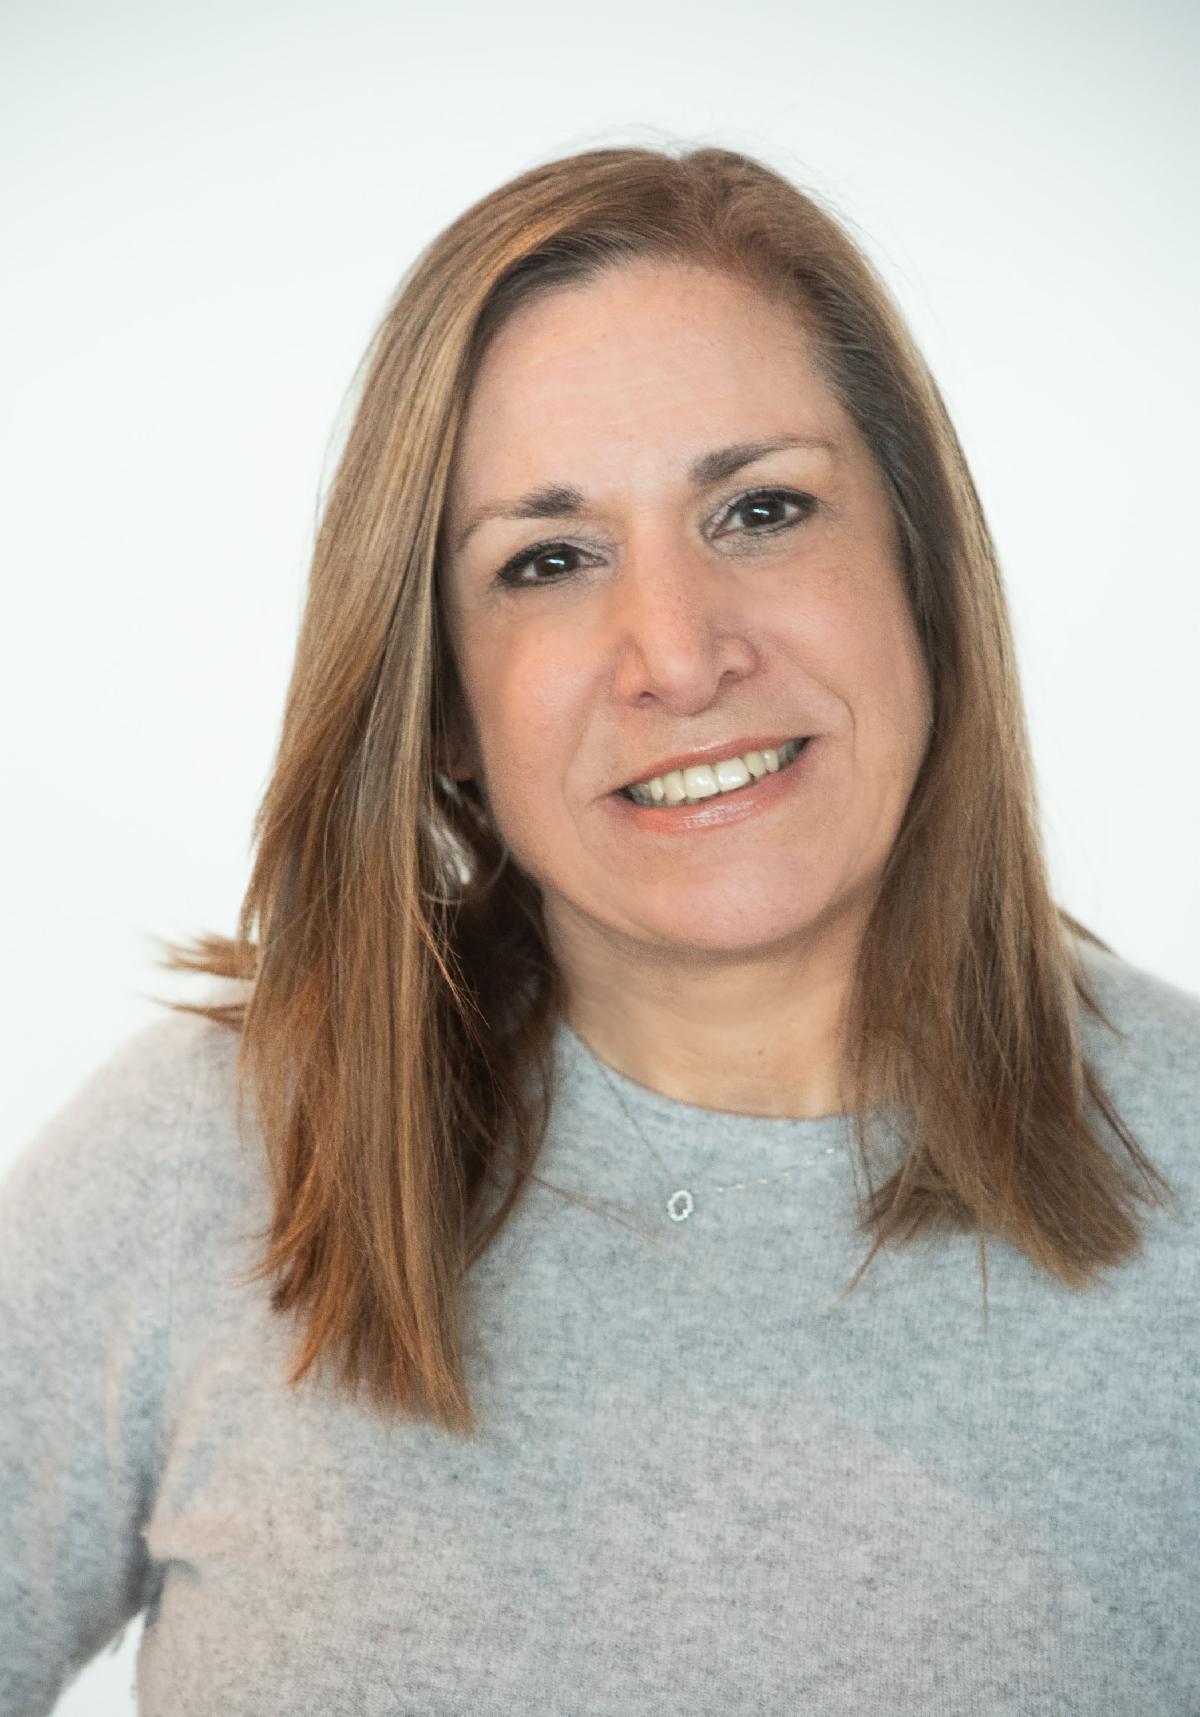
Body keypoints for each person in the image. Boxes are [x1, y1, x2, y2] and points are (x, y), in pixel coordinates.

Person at [2, 143, 1197, 1716]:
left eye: (762, 508)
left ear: (925, 574)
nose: (678, 654)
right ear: (439, 704)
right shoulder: (217, 1153)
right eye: (547, 560)